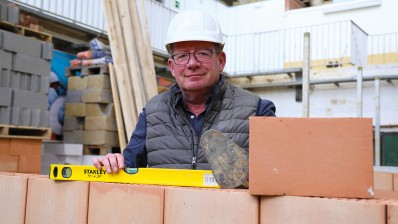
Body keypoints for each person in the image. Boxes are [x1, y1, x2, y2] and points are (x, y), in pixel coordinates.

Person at [93, 10, 276, 187]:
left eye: (203, 53)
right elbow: (130, 167)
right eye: (182, 56)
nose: (192, 63)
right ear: (172, 67)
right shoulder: (152, 113)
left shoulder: (257, 110)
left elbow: (279, 174)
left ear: (220, 61)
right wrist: (115, 163)